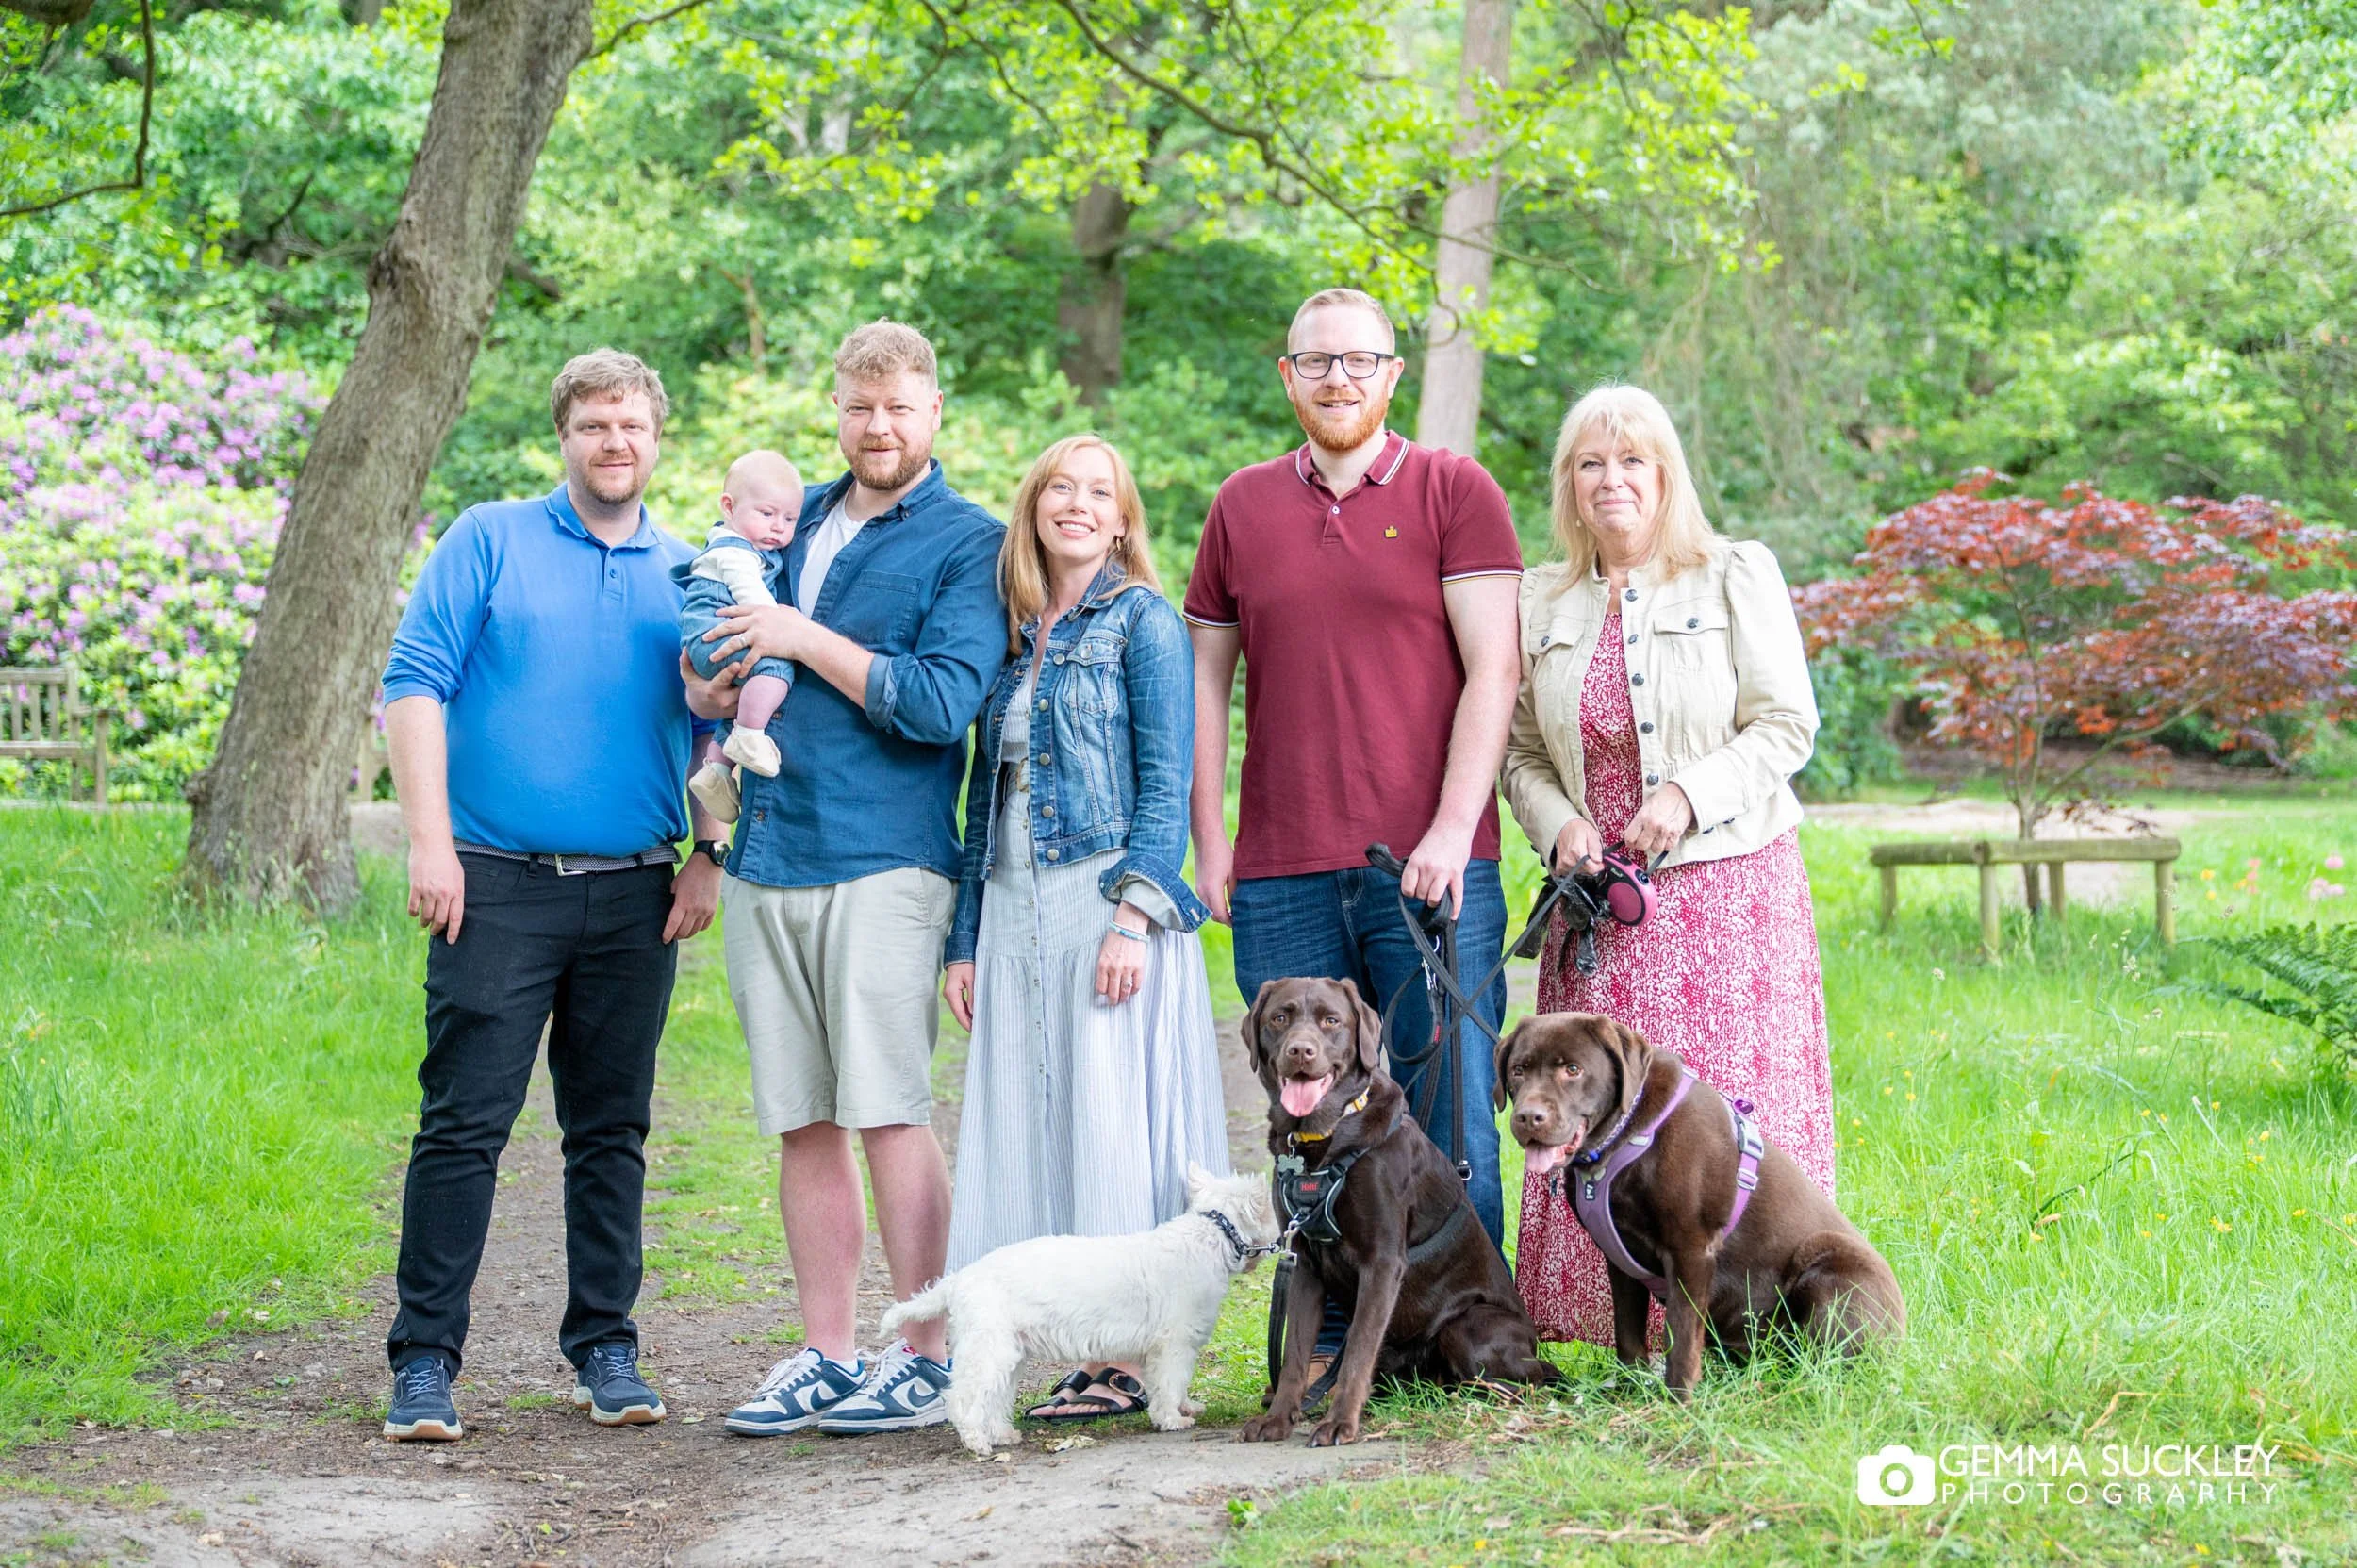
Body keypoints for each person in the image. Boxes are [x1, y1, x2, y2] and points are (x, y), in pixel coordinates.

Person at [376, 348, 732, 1442]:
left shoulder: (692, 574)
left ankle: (605, 1346)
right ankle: (426, 1359)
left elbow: (728, 727)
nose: (613, 442)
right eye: (592, 425)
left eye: (631, 424)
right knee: (463, 1125)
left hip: (634, 895)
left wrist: (711, 850)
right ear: (564, 437)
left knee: (612, 1130)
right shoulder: (490, 539)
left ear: (657, 438)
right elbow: (413, 685)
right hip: (492, 885)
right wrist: (429, 844)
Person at [694, 322, 1009, 1438]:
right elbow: (726, 648)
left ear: (934, 413)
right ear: (835, 408)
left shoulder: (972, 542)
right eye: (859, 406)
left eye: (900, 407)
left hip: (885, 858)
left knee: (885, 1109)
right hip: (769, 848)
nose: (878, 426)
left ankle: (921, 1352)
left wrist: (798, 632)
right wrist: (711, 674)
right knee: (802, 1119)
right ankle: (828, 1354)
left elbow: (937, 703)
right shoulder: (786, 522)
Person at [1184, 287, 1524, 1246]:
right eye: (1318, 362)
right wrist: (1212, 840)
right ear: (1288, 375)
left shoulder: (1455, 491)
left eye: (1359, 361)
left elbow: (1494, 669)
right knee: (1306, 1117)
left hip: (1427, 863)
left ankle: (1462, 1336)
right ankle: (1333, 1336)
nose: (1339, 378)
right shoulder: (1241, 505)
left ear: (1392, 375)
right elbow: (1206, 686)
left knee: (1445, 1107)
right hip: (1281, 871)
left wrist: (1454, 831)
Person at [1499, 382, 1830, 1346]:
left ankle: (1761, 1319)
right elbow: (1518, 752)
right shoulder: (1540, 598)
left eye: (1631, 460)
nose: (1612, 481)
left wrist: (1687, 795)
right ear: (1569, 484)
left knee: (1723, 1121)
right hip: (1601, 912)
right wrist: (1558, 821)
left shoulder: (1733, 573)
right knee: (1587, 1106)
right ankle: (1617, 1335)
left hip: (1726, 894)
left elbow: (1786, 724)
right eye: (1590, 464)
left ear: (1665, 474)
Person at [939, 435, 1227, 1422]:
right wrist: (964, 937)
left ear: (1121, 519)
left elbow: (1169, 777)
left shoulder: (1142, 620)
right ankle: (1037, 1335)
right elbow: (988, 798)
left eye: (1097, 492)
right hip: (1016, 903)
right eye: (1058, 487)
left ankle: (1123, 1360)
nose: (1075, 503)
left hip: (1105, 899)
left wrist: (1133, 917)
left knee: (1109, 1118)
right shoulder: (1015, 634)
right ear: (1033, 509)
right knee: (1028, 1120)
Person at [679, 450, 804, 821]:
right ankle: (750, 736)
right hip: (718, 632)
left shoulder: (744, 545)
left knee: (750, 693)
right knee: (776, 670)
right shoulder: (735, 552)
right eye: (766, 514)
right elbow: (753, 598)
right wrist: (786, 631)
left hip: (714, 637)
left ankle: (716, 769)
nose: (779, 527)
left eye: (789, 518)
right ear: (728, 507)